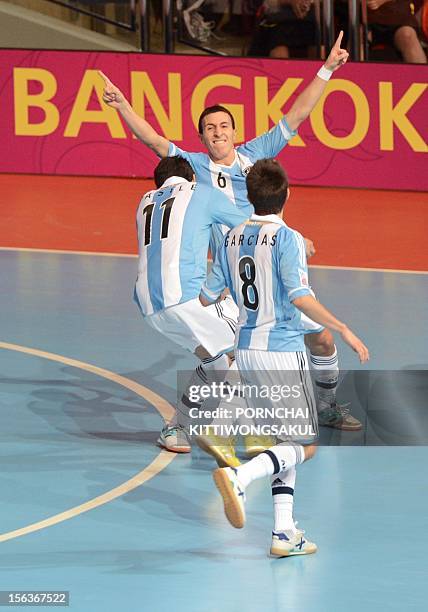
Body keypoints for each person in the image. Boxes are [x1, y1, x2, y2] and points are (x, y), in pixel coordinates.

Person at [100, 32, 360, 450]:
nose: (217, 132)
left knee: (322, 339)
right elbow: (151, 140)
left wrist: (326, 70)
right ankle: (209, 426)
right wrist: (123, 106)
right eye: (209, 128)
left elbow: (297, 115)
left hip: (274, 265)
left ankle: (325, 405)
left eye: (223, 125)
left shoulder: (255, 155)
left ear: (234, 132)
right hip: (232, 279)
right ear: (201, 138)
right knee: (232, 359)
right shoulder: (193, 170)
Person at [199, 158, 369, 556]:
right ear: (287, 194)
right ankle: (241, 477)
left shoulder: (230, 237)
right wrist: (342, 327)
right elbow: (299, 296)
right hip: (281, 351)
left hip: (247, 352)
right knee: (306, 445)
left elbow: (209, 295)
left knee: (283, 442)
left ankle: (283, 531)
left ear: (249, 197)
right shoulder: (288, 238)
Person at [135, 155, 247, 453]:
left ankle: (175, 429)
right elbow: (250, 229)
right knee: (247, 348)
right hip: (188, 297)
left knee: (216, 361)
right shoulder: (202, 193)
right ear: (191, 177)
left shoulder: (145, 201)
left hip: (150, 307)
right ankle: (227, 431)